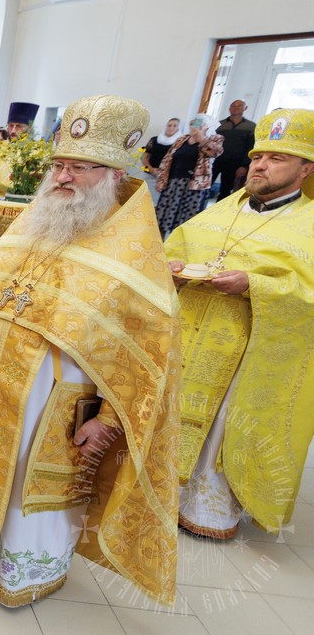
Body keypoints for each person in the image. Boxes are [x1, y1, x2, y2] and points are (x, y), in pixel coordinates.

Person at [0, 94, 181, 608]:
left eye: (79, 168)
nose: (63, 177)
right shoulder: (38, 220)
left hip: (51, 398)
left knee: (26, 482)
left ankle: (20, 570)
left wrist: (108, 421)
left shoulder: (135, 253)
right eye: (59, 165)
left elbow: (147, 358)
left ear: (114, 174)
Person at [165, 108, 314, 540]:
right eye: (258, 156)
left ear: (306, 169)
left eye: (277, 158)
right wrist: (170, 268)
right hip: (191, 340)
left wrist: (255, 286)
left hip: (249, 354)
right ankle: (161, 495)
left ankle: (208, 510)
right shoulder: (219, 211)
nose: (261, 165)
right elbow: (172, 250)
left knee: (223, 426)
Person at [154, 114, 224, 238]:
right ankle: (159, 244)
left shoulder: (214, 139)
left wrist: (201, 138)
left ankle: (178, 246)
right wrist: (160, 179)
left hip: (195, 187)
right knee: (163, 217)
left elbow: (215, 152)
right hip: (173, 184)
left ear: (207, 126)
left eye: (200, 123)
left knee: (186, 221)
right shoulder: (182, 139)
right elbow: (167, 159)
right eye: (193, 123)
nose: (194, 126)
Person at [213, 99, 257, 202]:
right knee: (206, 186)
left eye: (239, 106)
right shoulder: (219, 124)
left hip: (235, 164)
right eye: (233, 106)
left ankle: (220, 210)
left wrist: (244, 166)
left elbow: (250, 147)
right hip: (216, 161)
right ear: (229, 108)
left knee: (225, 190)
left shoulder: (251, 126)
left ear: (245, 108)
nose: (235, 108)